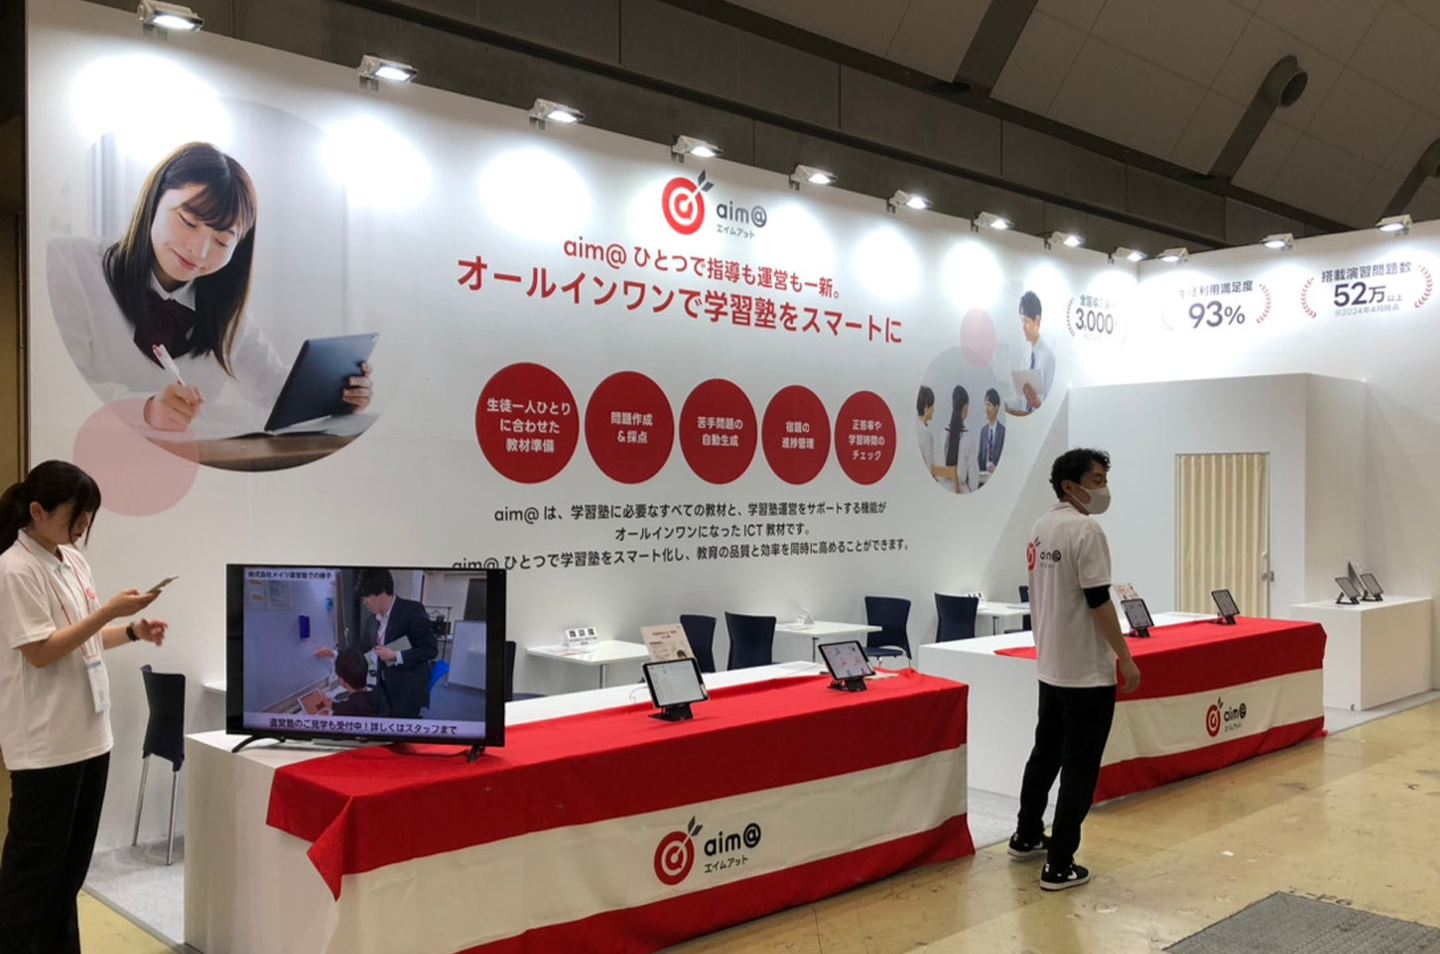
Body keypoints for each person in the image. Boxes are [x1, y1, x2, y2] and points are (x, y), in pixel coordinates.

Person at [47, 141, 372, 431]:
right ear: (154, 200)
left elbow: (276, 391)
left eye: (222, 241)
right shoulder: (70, 264)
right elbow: (55, 388)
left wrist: (338, 396)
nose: (199, 251)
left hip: (189, 470)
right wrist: (144, 410)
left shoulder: (224, 311)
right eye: (188, 222)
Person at [0, 460, 169, 952]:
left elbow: (83, 640)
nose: (83, 526)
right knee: (32, 875)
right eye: (75, 515)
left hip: (91, 736)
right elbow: (40, 651)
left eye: (89, 516)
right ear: (37, 510)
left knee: (69, 873)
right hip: (46, 743)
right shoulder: (15, 568)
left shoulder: (72, 560)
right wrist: (109, 611)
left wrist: (132, 630)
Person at [1008, 448, 1140, 891]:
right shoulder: (1086, 530)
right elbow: (1098, 600)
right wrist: (1124, 655)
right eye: (1096, 480)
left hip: (1051, 666)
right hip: (1085, 671)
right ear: (1070, 485)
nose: (1103, 488)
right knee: (1080, 766)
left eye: (1104, 479)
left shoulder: (1041, 526)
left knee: (1045, 753)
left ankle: (1027, 835)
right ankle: (1059, 863)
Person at [314, 568, 436, 718]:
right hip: (383, 691)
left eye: (367, 596)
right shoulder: (372, 620)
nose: (365, 602)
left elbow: (430, 649)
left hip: (407, 693)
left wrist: (396, 655)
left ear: (382, 590)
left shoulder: (411, 611)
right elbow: (362, 645)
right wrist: (334, 653)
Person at [1006, 291, 1055, 417]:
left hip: (1039, 423)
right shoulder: (1026, 355)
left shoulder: (1048, 358)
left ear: (1037, 321)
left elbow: (1050, 406)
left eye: (1026, 321)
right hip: (1024, 421)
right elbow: (1020, 400)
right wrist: (1003, 404)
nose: (1023, 327)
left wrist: (1037, 404)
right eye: (1022, 321)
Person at [318, 647, 389, 718]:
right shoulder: (378, 691)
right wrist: (333, 705)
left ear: (342, 681)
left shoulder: (344, 712)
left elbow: (348, 709)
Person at [938, 385, 978, 494]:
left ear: (952, 405)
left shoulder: (943, 434)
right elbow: (974, 482)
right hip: (961, 493)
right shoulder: (968, 438)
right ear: (966, 408)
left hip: (942, 490)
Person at [977, 387, 1005, 474]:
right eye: (985, 405)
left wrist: (996, 469)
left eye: (989, 405)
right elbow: (980, 458)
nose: (986, 408)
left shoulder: (1003, 431)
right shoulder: (983, 431)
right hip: (983, 476)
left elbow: (1005, 459)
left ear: (996, 407)